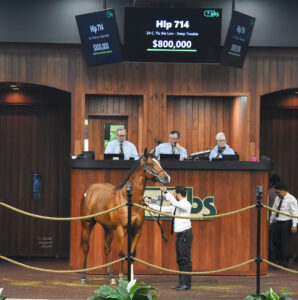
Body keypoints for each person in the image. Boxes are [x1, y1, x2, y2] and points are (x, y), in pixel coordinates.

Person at [144, 185, 192, 291]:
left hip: (185, 235)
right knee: (180, 260)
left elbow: (174, 203)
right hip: (180, 235)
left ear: (178, 194)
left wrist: (166, 192)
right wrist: (149, 205)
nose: (173, 195)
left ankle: (186, 284)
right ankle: (181, 283)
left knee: (185, 260)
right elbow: (164, 209)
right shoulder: (177, 205)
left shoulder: (186, 204)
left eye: (174, 193)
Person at [269, 183, 298, 268]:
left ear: (284, 191)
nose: (277, 194)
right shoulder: (277, 198)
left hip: (286, 222)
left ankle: (284, 261)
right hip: (277, 222)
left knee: (284, 242)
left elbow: (295, 213)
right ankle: (288, 256)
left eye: (278, 192)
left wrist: (294, 225)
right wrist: (271, 221)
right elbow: (274, 210)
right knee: (276, 241)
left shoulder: (291, 199)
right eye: (276, 193)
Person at [268, 174, 281, 260]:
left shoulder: (270, 191)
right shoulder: (281, 192)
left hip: (271, 219)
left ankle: (272, 258)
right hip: (281, 219)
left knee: (271, 240)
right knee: (278, 240)